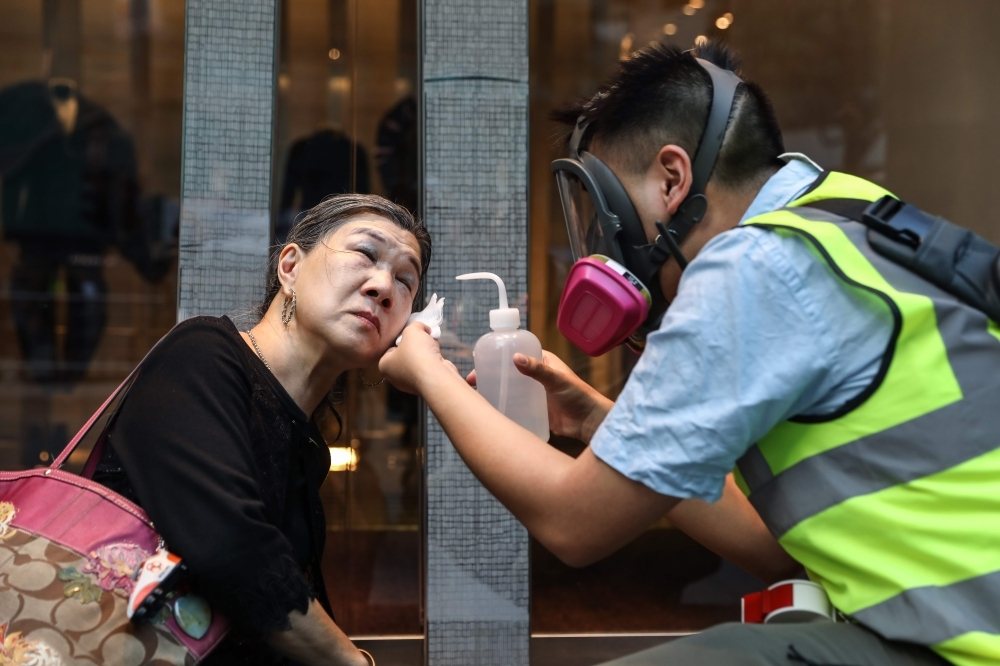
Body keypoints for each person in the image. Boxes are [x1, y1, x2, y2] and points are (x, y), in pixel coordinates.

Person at [380, 42, 999, 666]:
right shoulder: (846, 216)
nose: (605, 248)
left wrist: (430, 373)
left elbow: (574, 524)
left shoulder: (753, 268)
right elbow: (775, 547)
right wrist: (601, 421)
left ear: (672, 179)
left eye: (610, 213)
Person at [94, 193, 431, 666]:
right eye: (365, 254)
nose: (383, 287)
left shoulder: (309, 443)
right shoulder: (203, 354)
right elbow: (233, 549)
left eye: (405, 280)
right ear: (290, 267)